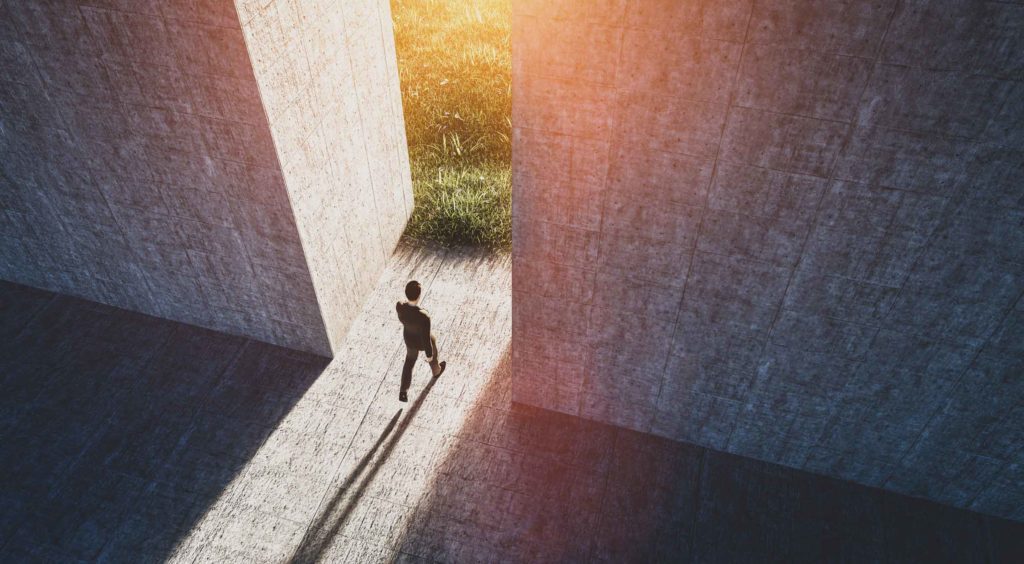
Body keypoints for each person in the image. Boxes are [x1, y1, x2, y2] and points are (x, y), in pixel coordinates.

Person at [396, 280, 446, 402]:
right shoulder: (424, 316)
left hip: (409, 339)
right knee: (432, 339)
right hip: (421, 342)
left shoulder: (400, 306)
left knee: (409, 362)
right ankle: (436, 370)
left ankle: (403, 391)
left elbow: (402, 316)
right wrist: (429, 355)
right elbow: (425, 338)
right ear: (419, 296)